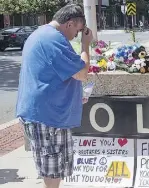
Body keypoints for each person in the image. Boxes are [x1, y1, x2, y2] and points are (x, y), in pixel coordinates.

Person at [15, 4, 93, 188]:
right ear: (70, 24)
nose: (76, 36)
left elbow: (53, 74)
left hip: (47, 113)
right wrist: (85, 45)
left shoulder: (41, 33)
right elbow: (81, 73)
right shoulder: (53, 39)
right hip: (46, 116)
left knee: (55, 169)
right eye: (77, 31)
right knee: (52, 171)